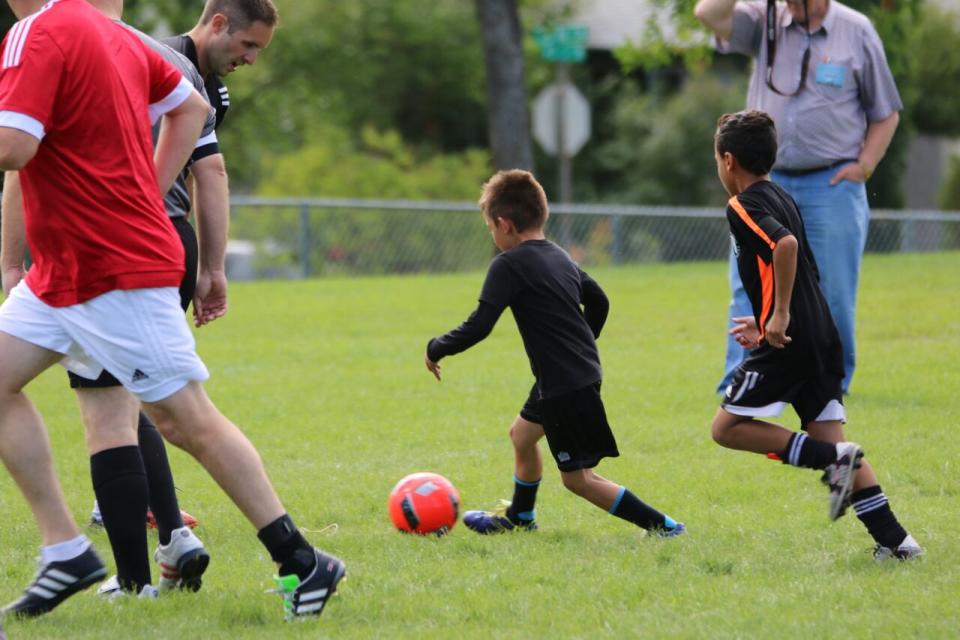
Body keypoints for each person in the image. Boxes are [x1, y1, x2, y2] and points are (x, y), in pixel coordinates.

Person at [0, 0, 344, 619]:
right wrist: (146, 195)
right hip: (63, 274)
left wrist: (134, 205)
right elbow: (191, 108)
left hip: (113, 270)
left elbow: (15, 148)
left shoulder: (37, 32)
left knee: (187, 421)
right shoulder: (120, 37)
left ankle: (304, 561)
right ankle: (65, 549)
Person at [425, 169, 685, 539]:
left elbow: (480, 324)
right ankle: (521, 518)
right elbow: (599, 299)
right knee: (522, 435)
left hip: (565, 384)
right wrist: (582, 344)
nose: (493, 235)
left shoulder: (508, 265)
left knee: (578, 480)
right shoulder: (560, 256)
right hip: (567, 376)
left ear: (504, 223)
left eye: (490, 228)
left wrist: (437, 347)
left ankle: (665, 527)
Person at [710, 110, 920, 560]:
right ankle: (898, 542)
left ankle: (831, 462)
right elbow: (801, 265)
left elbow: (784, 247)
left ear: (729, 161)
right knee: (834, 437)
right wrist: (766, 314)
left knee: (726, 428)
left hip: (793, 338)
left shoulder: (742, 204)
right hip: (821, 332)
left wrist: (780, 315)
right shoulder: (782, 195)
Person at [693, 0, 902, 394]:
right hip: (765, 180)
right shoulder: (764, 19)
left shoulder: (856, 30)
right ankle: (743, 381)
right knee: (748, 285)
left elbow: (886, 112)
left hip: (833, 183)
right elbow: (708, 13)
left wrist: (865, 166)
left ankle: (830, 384)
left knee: (833, 293)